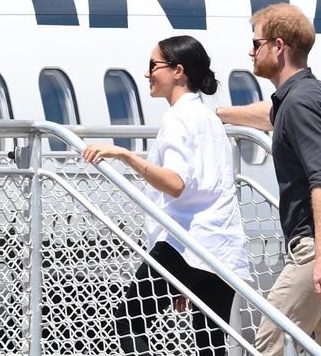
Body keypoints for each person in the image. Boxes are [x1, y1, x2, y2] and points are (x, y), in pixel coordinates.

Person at [216, 4, 321, 356]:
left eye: (256, 44)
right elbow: (271, 114)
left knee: (271, 343)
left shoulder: (299, 104)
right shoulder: (306, 95)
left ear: (278, 46)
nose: (250, 52)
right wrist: (219, 115)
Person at [82, 35, 251, 356]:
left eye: (153, 66)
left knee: (128, 321)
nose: (147, 74)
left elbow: (175, 183)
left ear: (178, 71)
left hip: (183, 243)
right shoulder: (208, 118)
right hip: (221, 247)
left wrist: (125, 155)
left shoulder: (178, 118)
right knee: (211, 345)